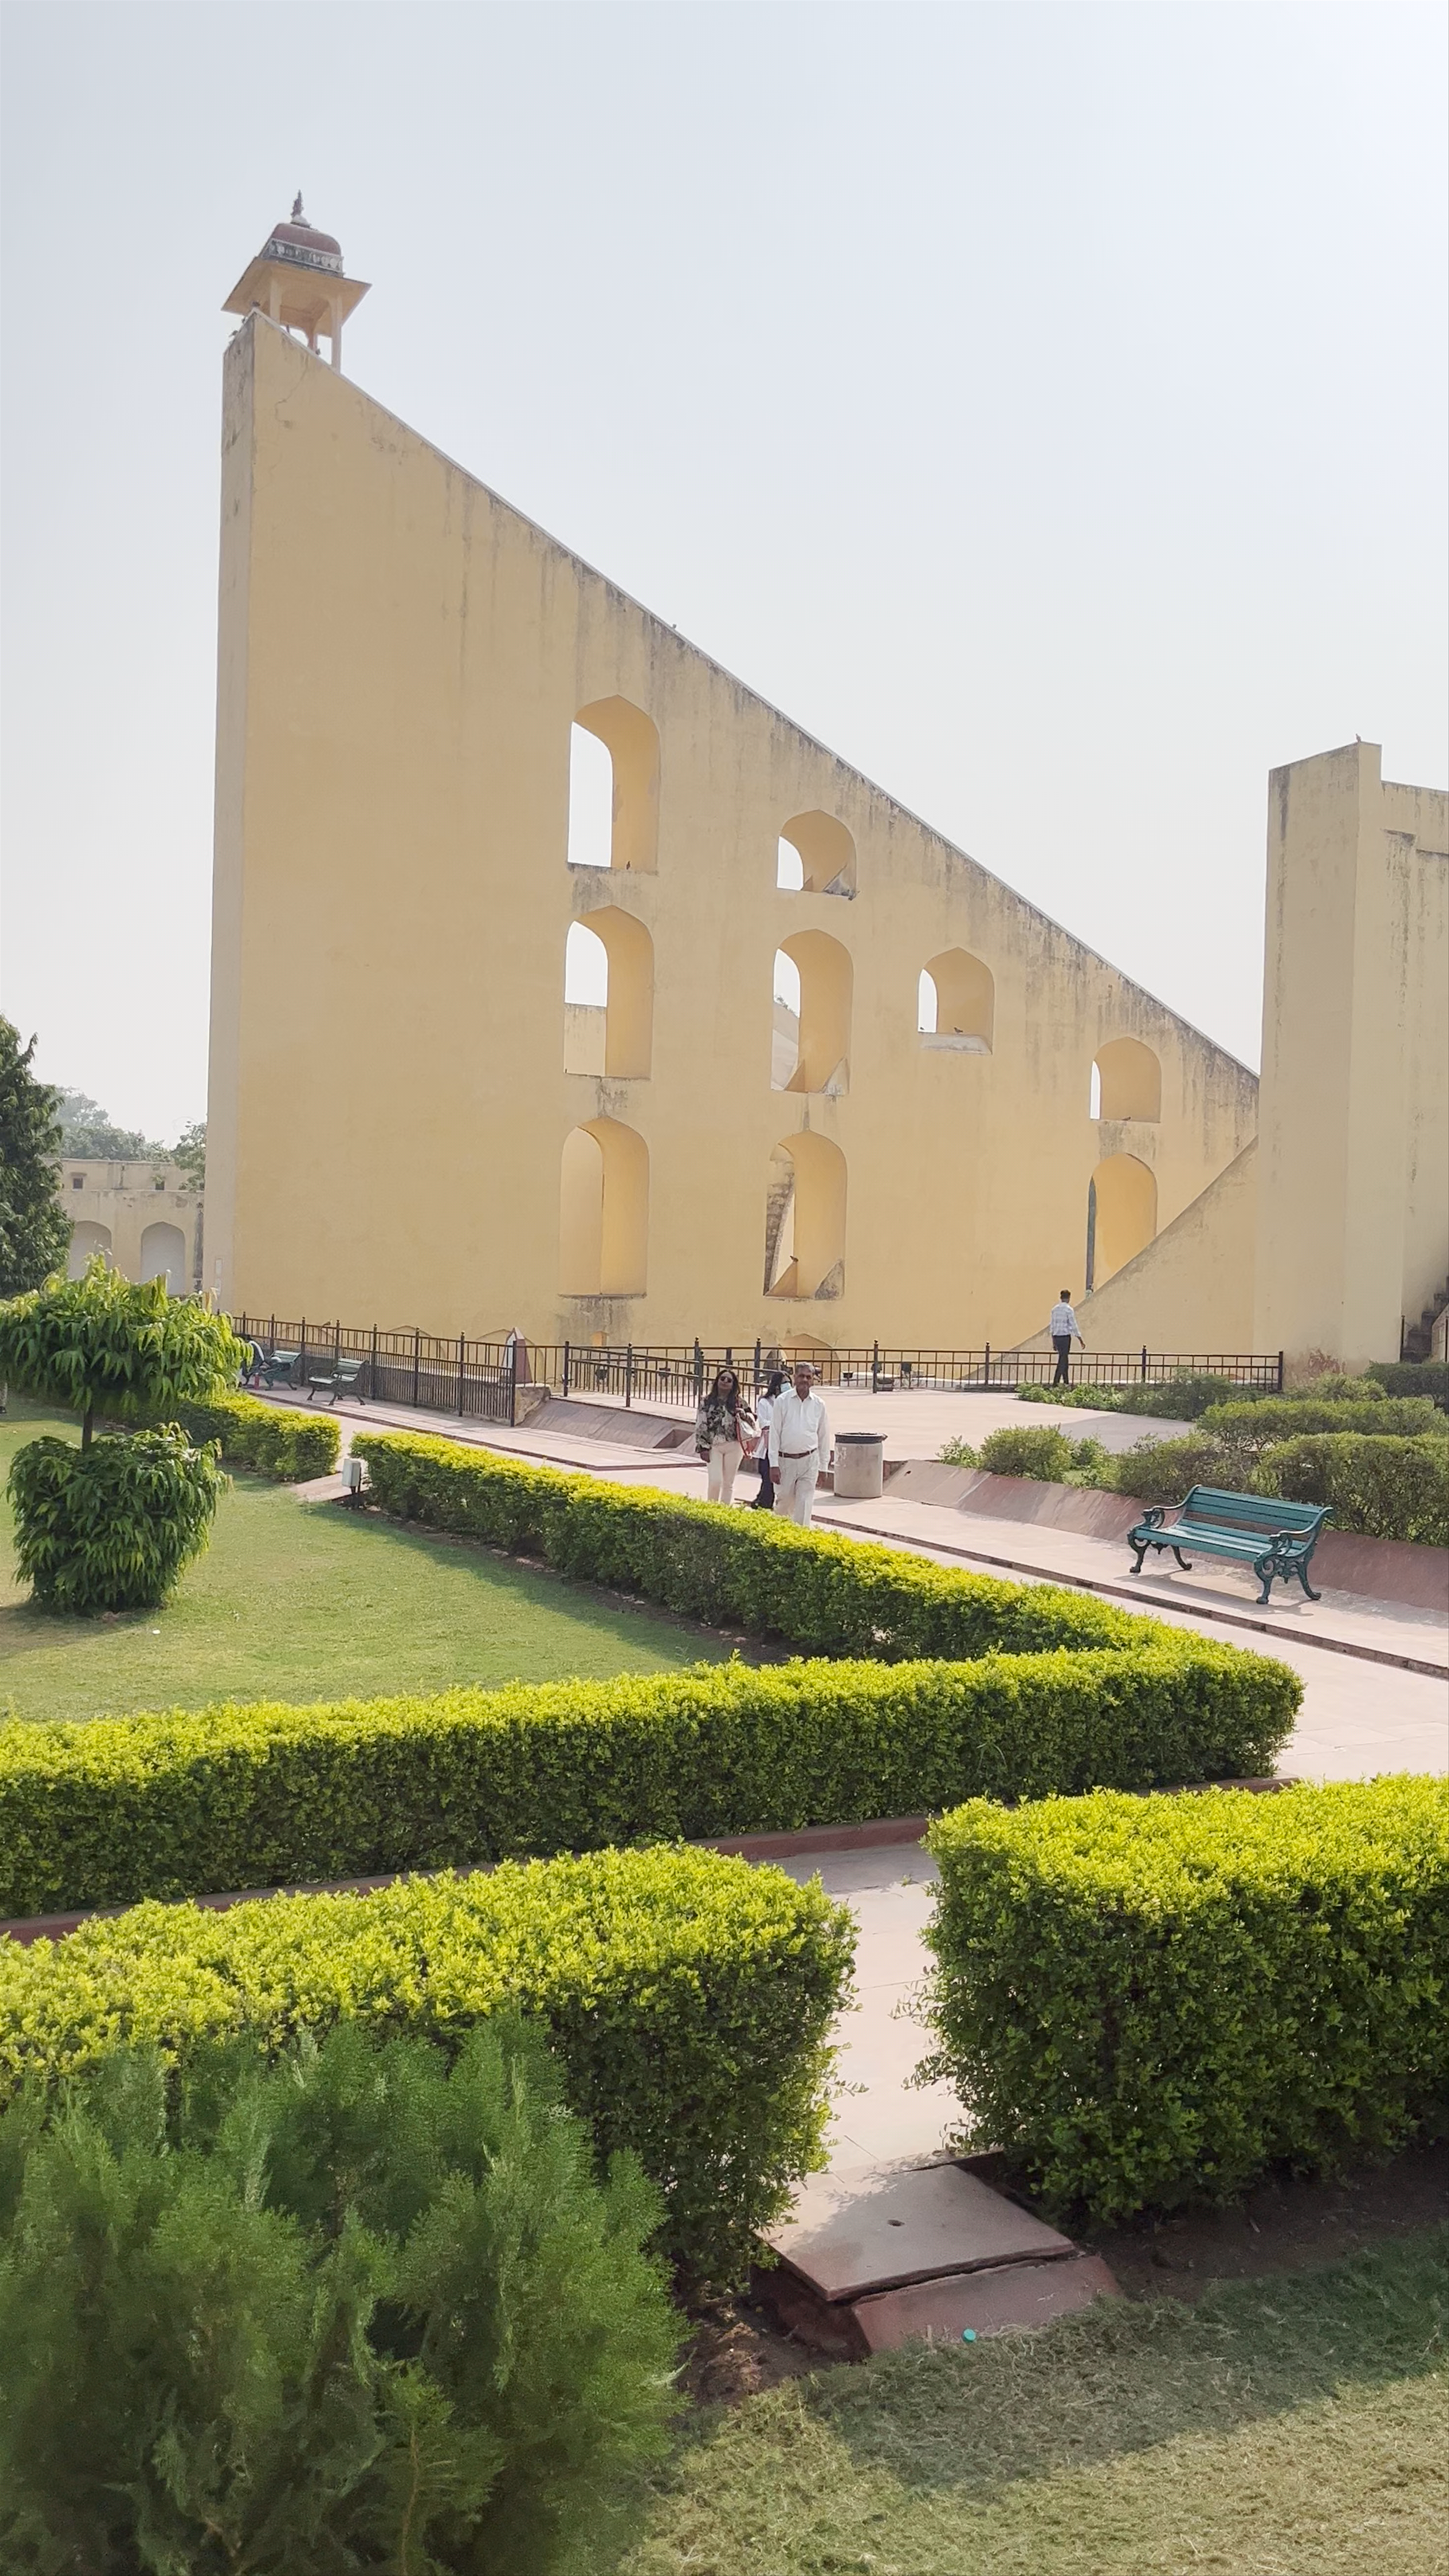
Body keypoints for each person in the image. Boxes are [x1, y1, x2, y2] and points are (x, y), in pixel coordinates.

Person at [768, 1361, 831, 1526]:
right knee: (784, 1505)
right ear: (795, 1378)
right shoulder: (782, 1401)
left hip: (809, 1461)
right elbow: (774, 1434)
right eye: (801, 1376)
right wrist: (773, 1464)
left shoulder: (819, 1405)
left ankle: (801, 1542)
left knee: (805, 1503)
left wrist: (824, 1467)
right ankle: (781, 1542)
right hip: (785, 1461)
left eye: (808, 1377)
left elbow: (824, 1437)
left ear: (812, 1380)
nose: (805, 1380)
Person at [694, 1365, 756, 1506]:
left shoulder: (739, 1402)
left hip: (734, 1445)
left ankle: (725, 1511)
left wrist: (744, 1414)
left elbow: (753, 1421)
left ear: (733, 1385)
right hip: (714, 1446)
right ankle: (711, 1509)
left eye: (730, 1380)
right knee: (716, 1481)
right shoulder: (707, 1401)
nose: (725, 1382)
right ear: (717, 1381)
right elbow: (701, 1424)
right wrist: (703, 1447)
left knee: (729, 1483)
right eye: (723, 1378)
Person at [751, 1369, 786, 1507]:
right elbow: (763, 1423)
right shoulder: (765, 1402)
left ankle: (764, 1499)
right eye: (784, 1383)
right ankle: (765, 1502)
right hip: (768, 1444)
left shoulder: (790, 1401)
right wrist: (779, 1424)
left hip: (785, 1444)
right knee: (766, 1474)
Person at [1049, 1290, 1084, 1386]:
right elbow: (1073, 1325)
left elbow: (1052, 1326)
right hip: (1065, 1337)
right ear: (1069, 1298)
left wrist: (1054, 1342)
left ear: (1061, 1298)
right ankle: (1056, 1383)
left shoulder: (1054, 1310)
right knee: (1063, 1359)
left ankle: (1066, 1381)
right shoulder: (1069, 1310)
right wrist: (1080, 1339)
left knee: (1064, 1359)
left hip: (1057, 1337)